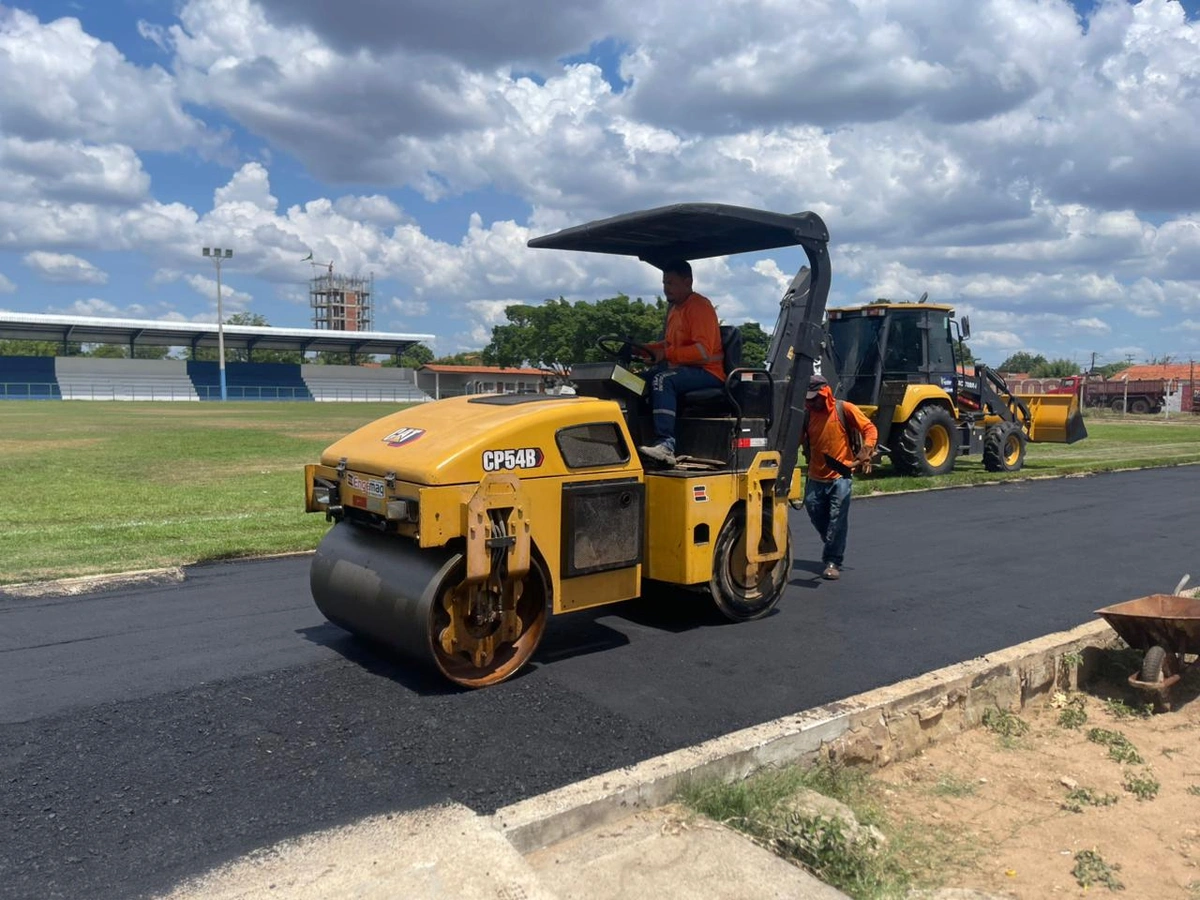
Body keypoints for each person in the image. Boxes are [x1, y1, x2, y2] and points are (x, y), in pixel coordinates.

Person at [637, 260, 725, 466]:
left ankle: (665, 444)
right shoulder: (675, 310)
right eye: (664, 283)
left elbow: (702, 352)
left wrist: (666, 355)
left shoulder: (699, 306)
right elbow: (668, 344)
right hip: (684, 371)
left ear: (688, 282)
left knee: (662, 380)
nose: (666, 288)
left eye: (671, 283)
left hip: (708, 373)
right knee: (631, 381)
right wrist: (642, 348)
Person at [800, 372, 877, 580]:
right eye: (808, 399)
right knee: (814, 509)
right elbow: (797, 439)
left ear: (825, 393)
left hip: (841, 475)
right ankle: (834, 540)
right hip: (816, 475)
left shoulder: (844, 409)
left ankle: (833, 560)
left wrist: (867, 449)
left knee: (837, 518)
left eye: (814, 398)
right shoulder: (807, 414)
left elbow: (869, 429)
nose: (811, 402)